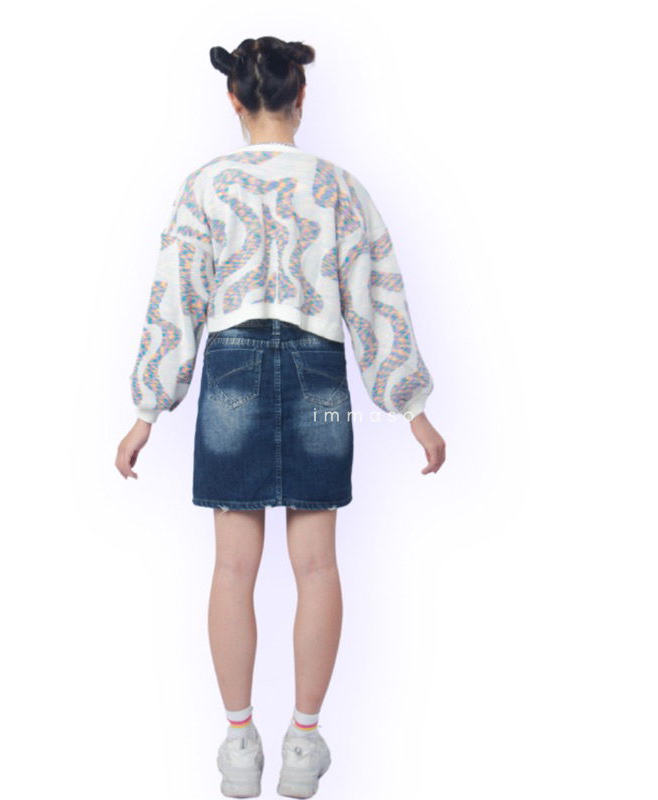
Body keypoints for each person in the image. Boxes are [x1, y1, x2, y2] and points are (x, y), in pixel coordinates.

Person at [115, 36, 446, 798]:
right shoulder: (338, 188)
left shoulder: (204, 187)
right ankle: (303, 743)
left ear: (233, 100)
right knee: (318, 566)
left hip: (231, 365)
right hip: (315, 365)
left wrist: (146, 411)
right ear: (302, 98)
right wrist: (413, 409)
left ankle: (239, 745)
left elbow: (175, 298)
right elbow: (378, 297)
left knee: (232, 568)